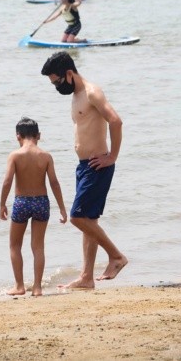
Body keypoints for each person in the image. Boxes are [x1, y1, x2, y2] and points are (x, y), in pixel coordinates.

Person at [40, 51, 128, 290]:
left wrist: (112, 156)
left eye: (57, 81)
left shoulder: (92, 92)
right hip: (84, 166)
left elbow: (116, 121)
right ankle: (86, 277)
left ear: (69, 73)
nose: (57, 86)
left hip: (97, 165)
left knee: (78, 217)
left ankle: (116, 256)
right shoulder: (76, 95)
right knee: (89, 220)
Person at [0, 117, 67, 297]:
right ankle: (37, 287)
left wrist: (2, 204)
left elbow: (7, 182)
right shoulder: (45, 156)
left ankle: (19, 286)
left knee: (14, 245)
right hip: (41, 202)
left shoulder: (15, 155)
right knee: (38, 247)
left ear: (17, 136)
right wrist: (62, 208)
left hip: (21, 202)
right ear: (39, 135)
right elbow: (54, 183)